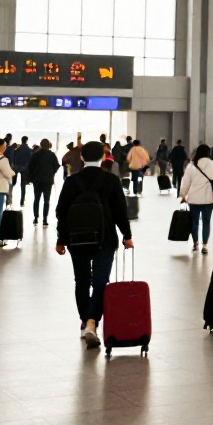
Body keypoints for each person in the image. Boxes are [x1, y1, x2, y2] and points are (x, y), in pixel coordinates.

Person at [54, 141, 134, 347]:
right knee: (100, 282)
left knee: (81, 281)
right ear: (103, 157)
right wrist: (127, 235)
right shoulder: (111, 180)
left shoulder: (71, 181)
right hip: (105, 239)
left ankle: (84, 321)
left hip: (77, 239)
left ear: (81, 157)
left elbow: (61, 212)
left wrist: (61, 239)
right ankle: (92, 322)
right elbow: (120, 211)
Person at [178, 144, 213, 255]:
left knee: (194, 222)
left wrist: (183, 195)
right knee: (206, 222)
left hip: (194, 198)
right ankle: (205, 245)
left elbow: (186, 182)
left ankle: (195, 244)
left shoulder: (191, 166)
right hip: (209, 198)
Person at [28, 139, 58, 227]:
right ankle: (45, 219)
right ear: (48, 145)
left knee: (36, 199)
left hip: (37, 180)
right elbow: (56, 166)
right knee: (46, 200)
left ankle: (36, 218)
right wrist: (51, 173)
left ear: (41, 145)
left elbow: (30, 166)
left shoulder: (35, 154)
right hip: (48, 180)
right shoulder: (52, 154)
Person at [10, 135, 33, 204]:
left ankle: (10, 198)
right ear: (27, 140)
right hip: (25, 168)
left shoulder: (17, 149)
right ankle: (22, 201)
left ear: (22, 140)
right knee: (23, 185)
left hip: (16, 167)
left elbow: (13, 156)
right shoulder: (29, 150)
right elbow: (30, 159)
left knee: (13, 183)